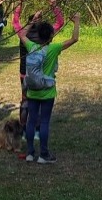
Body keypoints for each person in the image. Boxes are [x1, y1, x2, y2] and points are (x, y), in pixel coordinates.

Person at [17, 12, 80, 164]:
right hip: (47, 92)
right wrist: (76, 21)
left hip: (32, 91)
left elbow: (21, 34)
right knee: (44, 122)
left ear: (38, 34)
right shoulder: (54, 48)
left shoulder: (31, 46)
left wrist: (31, 21)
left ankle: (30, 153)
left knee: (31, 121)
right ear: (51, 36)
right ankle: (43, 154)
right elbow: (74, 39)